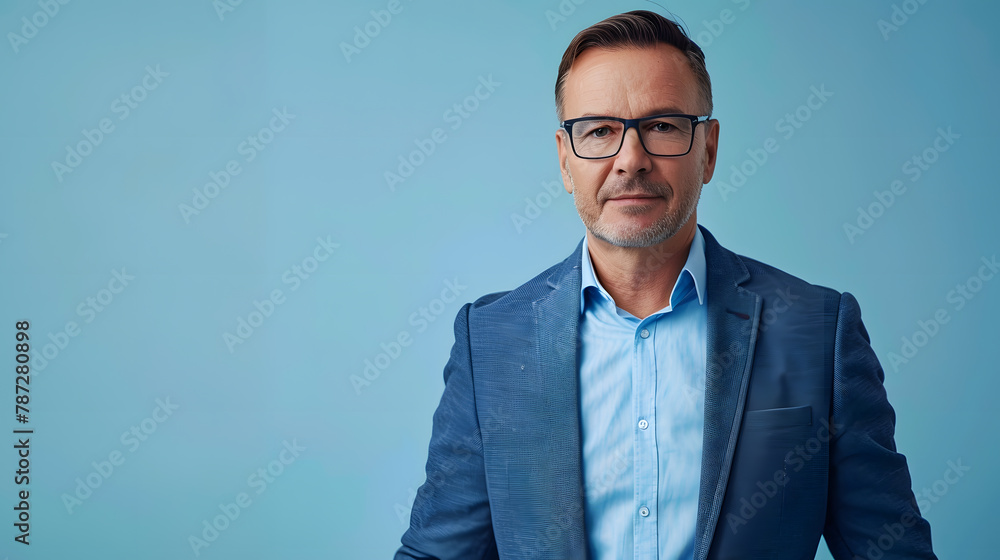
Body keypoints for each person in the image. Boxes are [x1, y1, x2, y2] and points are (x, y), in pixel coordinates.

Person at [395, 10, 937, 560]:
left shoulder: (816, 332)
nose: (631, 160)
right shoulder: (490, 341)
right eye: (600, 130)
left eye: (662, 126)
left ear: (708, 150)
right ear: (564, 158)